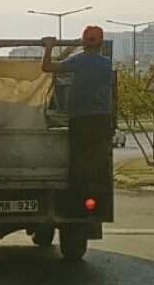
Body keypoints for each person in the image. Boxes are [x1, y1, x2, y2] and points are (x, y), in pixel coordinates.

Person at [42, 26, 114, 214]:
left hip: (80, 119)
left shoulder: (79, 62)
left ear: (82, 43)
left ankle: (75, 200)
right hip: (102, 119)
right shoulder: (107, 63)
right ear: (102, 44)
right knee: (98, 162)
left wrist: (49, 46)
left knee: (78, 161)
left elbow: (48, 67)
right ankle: (94, 200)